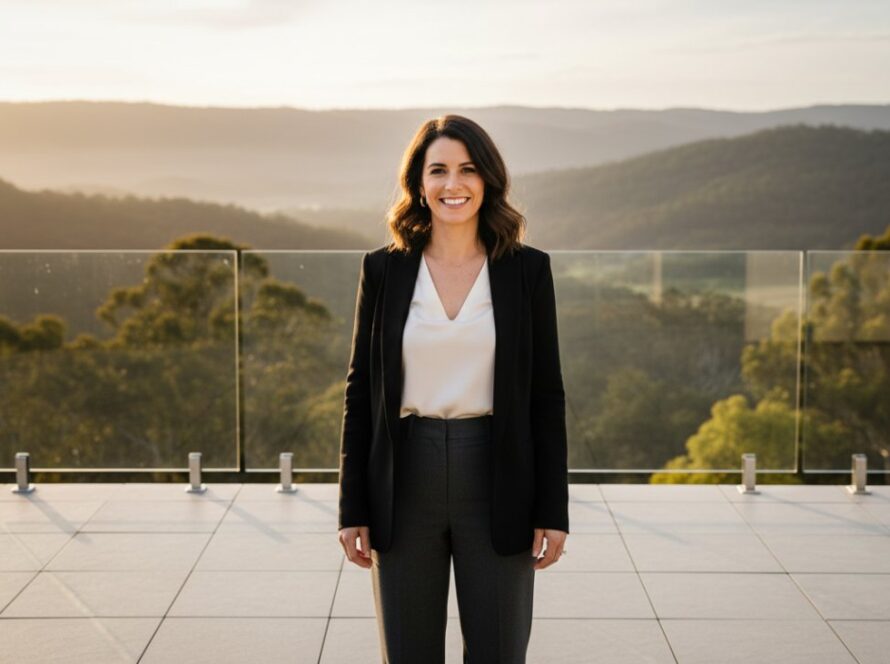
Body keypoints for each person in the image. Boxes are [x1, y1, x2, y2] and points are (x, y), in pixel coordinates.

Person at [338, 113, 569, 663]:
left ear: (487, 180)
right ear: (418, 184)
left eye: (467, 170)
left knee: (498, 651)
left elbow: (546, 396)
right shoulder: (384, 271)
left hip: (497, 475)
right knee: (409, 652)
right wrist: (353, 506)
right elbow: (360, 389)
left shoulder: (525, 272)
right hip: (403, 475)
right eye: (437, 170)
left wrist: (552, 509)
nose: (452, 184)